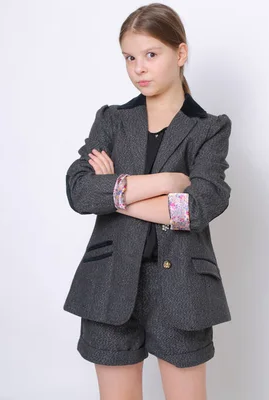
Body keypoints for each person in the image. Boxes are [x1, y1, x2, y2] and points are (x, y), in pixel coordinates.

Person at [62, 3, 233, 399]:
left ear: (181, 54)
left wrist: (116, 193)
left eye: (151, 54)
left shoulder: (208, 129)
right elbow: (80, 191)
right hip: (109, 282)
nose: (139, 68)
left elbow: (197, 207)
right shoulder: (112, 120)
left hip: (182, 285)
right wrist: (167, 181)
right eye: (130, 58)